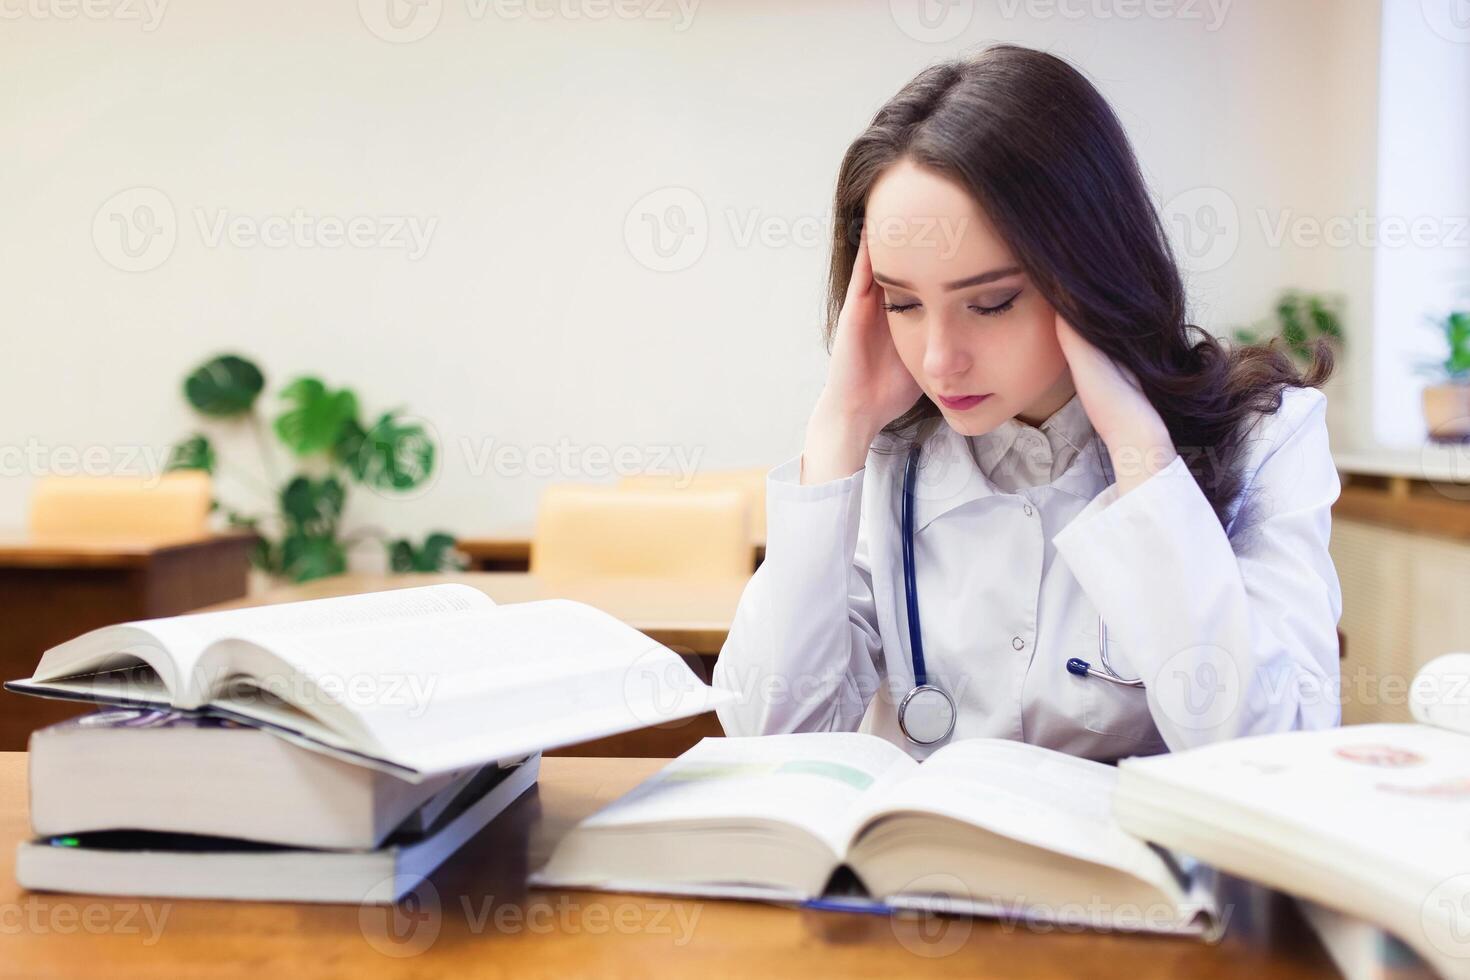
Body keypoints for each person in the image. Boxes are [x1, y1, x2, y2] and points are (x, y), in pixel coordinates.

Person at [712, 44, 1343, 761]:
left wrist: (1144, 463)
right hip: (918, 871)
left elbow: (1278, 754)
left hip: (1134, 873)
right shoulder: (896, 453)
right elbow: (768, 733)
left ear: (1087, 267)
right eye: (903, 303)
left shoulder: (1265, 438)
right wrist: (840, 426)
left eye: (991, 303)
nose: (940, 359)